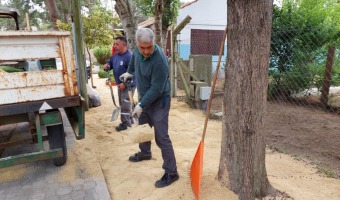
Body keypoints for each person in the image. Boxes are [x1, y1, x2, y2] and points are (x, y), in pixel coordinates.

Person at [119, 28, 179, 188]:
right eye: (142, 48)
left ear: (154, 43)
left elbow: (157, 89)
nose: (145, 51)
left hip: (159, 100)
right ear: (138, 45)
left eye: (149, 47)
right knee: (143, 127)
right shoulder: (138, 50)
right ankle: (145, 153)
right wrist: (129, 73)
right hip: (144, 97)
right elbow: (133, 60)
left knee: (161, 136)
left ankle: (172, 172)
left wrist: (141, 105)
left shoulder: (160, 61)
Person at [103, 36, 136, 131]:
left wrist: (125, 84)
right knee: (123, 103)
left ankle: (125, 124)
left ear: (124, 44)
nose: (115, 46)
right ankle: (130, 120)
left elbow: (133, 72)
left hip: (129, 85)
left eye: (117, 44)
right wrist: (107, 65)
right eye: (114, 44)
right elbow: (110, 63)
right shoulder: (115, 56)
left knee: (125, 104)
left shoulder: (129, 56)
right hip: (120, 85)